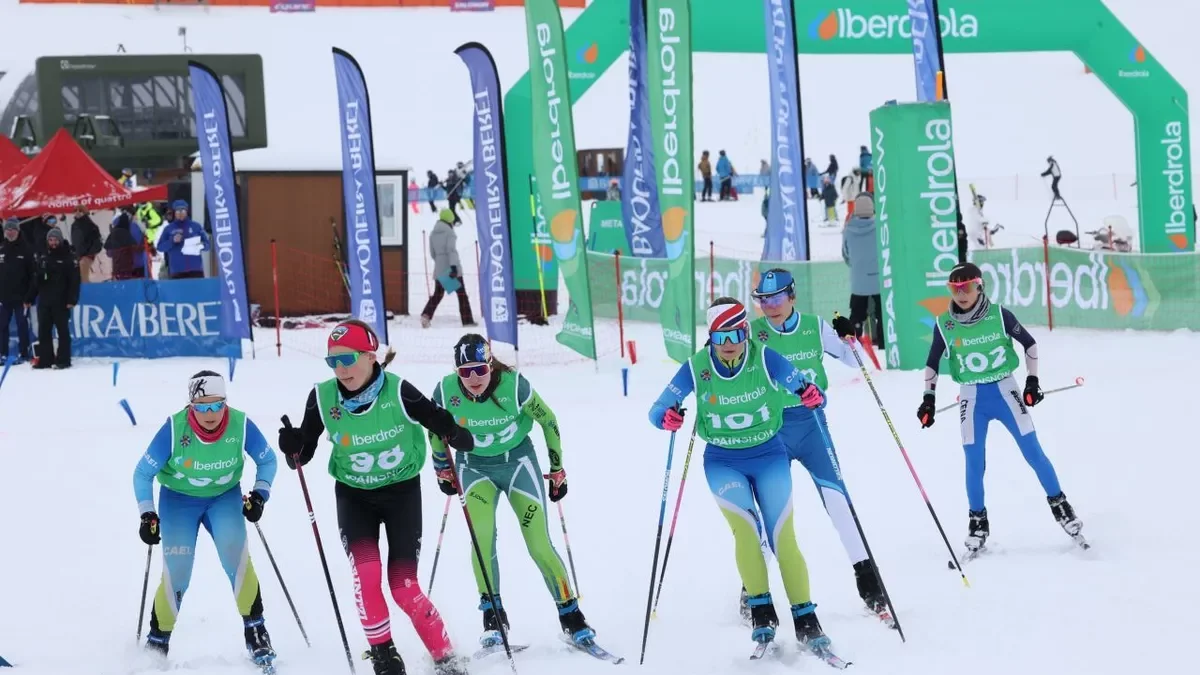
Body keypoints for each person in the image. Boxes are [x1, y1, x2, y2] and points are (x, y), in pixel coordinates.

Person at [277, 320, 474, 675]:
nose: (341, 369)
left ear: (370, 356)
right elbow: (302, 455)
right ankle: (383, 654)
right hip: (354, 497)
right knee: (366, 573)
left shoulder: (399, 392)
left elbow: (435, 420)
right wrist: (292, 445)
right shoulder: (322, 397)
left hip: (401, 495)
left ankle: (445, 656)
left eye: (348, 359)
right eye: (333, 362)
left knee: (403, 587)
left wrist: (453, 432)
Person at [647, 298, 836, 653]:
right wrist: (665, 417)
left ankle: (807, 620)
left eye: (736, 334)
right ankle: (761, 612)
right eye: (721, 336)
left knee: (782, 536)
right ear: (711, 337)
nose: (729, 343)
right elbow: (657, 408)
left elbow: (808, 388)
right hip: (722, 461)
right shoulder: (696, 367)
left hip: (768, 456)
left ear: (746, 331)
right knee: (747, 531)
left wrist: (811, 394)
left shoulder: (765, 358)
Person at [429, 334, 599, 651]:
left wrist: (557, 468)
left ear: (491, 364)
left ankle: (572, 616)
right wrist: (441, 467)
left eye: (480, 369)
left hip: (519, 464)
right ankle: (493, 618)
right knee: (481, 539)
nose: (474, 378)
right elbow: (435, 429)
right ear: (456, 372)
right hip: (474, 468)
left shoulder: (514, 385)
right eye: (465, 372)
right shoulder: (444, 391)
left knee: (538, 543)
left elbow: (548, 420)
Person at [744, 269, 891, 624]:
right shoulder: (754, 332)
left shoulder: (814, 326)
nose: (770, 307)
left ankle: (870, 586)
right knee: (769, 512)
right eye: (763, 300)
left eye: (777, 298)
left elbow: (854, 360)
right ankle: (751, 591)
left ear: (792, 297)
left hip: (812, 427)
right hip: (771, 431)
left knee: (839, 503)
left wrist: (850, 338)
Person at [917, 262, 1085, 556]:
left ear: (979, 286)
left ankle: (1062, 507)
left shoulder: (998, 315)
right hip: (971, 396)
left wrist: (1032, 382)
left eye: (966, 287)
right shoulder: (945, 323)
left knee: (1033, 452)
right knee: (973, 461)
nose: (961, 294)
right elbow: (933, 362)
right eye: (954, 289)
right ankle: (977, 521)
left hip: (1005, 390)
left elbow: (1030, 345)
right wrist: (928, 399)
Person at [132, 371, 279, 670]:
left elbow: (268, 460)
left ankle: (257, 633)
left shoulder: (240, 424)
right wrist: (147, 513)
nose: (210, 414)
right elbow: (142, 473)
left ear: (226, 402)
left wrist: (260, 496)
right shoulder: (174, 428)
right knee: (178, 571)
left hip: (223, 498)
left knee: (235, 556)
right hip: (178, 501)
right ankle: (157, 643)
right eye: (202, 407)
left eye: (216, 405)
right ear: (191, 406)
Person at [32, 227, 79, 370]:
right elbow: (36, 280)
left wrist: (72, 299)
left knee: (62, 331)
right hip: (45, 300)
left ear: (60, 240)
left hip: (61, 301)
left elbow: (74, 280)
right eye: (50, 240)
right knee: (44, 331)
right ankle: (46, 359)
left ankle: (63, 360)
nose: (53, 243)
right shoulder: (43, 256)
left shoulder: (68, 257)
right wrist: (29, 297)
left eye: (55, 240)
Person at [841, 194, 884, 347]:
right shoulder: (881, 226)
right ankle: (883, 342)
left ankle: (853, 343)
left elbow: (845, 254)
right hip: (879, 279)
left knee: (857, 314)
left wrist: (857, 265)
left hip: (859, 280)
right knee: (882, 314)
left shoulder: (848, 229)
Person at [421, 209, 475, 329]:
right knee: (462, 295)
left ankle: (426, 315)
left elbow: (432, 253)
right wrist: (454, 267)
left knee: (438, 294)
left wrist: (440, 263)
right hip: (451, 269)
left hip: (440, 268)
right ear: (449, 220)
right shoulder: (449, 233)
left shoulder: (433, 233)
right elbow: (451, 251)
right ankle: (467, 321)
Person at [0, 218, 36, 364]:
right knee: (2, 326)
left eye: (13, 229)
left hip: (22, 298)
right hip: (4, 297)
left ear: (18, 231)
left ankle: (24, 353)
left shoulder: (26, 249)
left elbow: (33, 275)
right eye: (7, 229)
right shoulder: (1, 249)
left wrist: (29, 297)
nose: (10, 232)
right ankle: (2, 353)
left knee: (22, 325)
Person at [156, 200, 210, 280]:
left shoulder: (196, 226)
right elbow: (160, 247)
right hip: (177, 271)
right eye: (178, 211)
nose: (180, 213)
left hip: (196, 270)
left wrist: (200, 245)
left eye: (183, 210)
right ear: (174, 212)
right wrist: (172, 241)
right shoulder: (168, 229)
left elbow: (207, 245)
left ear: (186, 211)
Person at [69, 205, 102, 284]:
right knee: (79, 277)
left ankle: (86, 292)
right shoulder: (74, 225)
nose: (77, 212)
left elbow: (97, 241)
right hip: (78, 255)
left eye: (80, 211)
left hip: (87, 255)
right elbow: (74, 241)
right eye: (75, 210)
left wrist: (90, 253)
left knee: (84, 277)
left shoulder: (91, 225)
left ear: (84, 212)